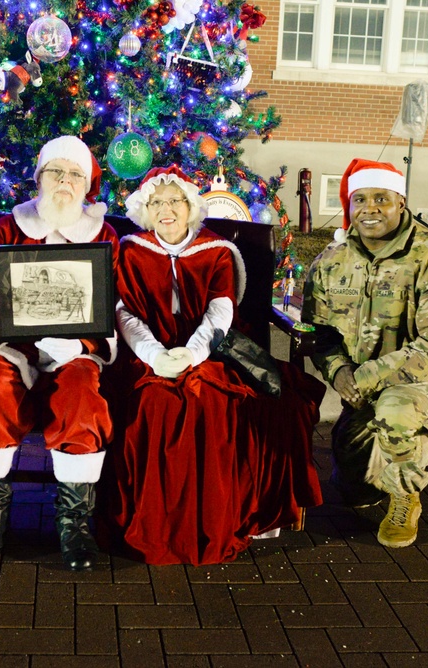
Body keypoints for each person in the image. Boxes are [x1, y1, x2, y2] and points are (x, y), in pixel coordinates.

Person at [103, 166, 324, 566]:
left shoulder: (217, 250)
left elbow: (220, 311)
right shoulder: (131, 250)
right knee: (154, 405)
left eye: (174, 201)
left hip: (209, 352)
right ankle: (157, 528)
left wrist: (192, 353)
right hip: (144, 357)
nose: (166, 210)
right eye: (157, 202)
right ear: (145, 209)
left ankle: (208, 523)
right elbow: (125, 314)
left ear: (190, 206)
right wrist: (154, 355)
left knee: (210, 402)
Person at [0, 136, 119, 571]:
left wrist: (83, 344)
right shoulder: (7, 228)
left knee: (82, 388)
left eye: (74, 175)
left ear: (87, 185)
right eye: (55, 172)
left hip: (73, 348)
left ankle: (74, 523)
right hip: (15, 346)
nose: (64, 182)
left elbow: (111, 307)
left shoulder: (104, 235)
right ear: (39, 177)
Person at [302, 158, 428, 548]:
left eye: (381, 198)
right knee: (354, 487)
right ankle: (372, 475)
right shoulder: (332, 262)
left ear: (400, 202)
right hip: (360, 385)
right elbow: (320, 333)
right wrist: (339, 371)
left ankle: (405, 497)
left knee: (396, 412)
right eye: (359, 199)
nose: (370, 209)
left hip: (421, 377)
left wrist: (364, 377)